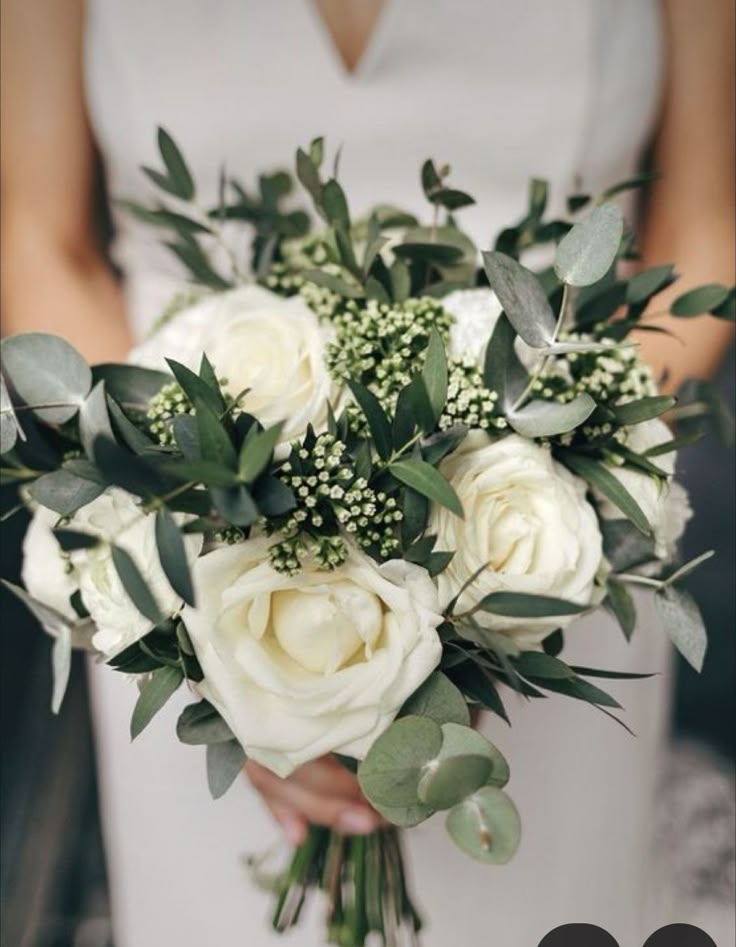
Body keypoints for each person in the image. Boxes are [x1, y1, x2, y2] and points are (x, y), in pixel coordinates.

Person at [2, 1, 734, 944]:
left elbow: (702, 226)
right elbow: (41, 239)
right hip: (183, 558)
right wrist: (207, 604)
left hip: (545, 581)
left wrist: (542, 506)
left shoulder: (537, 549)